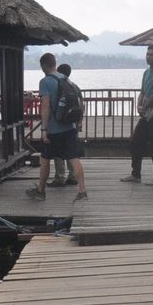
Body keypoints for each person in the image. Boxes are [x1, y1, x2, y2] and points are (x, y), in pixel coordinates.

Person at [27, 51, 87, 202]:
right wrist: (78, 122)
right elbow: (80, 102)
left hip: (54, 129)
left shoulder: (45, 81)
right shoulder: (67, 79)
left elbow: (45, 106)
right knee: (74, 158)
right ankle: (82, 190)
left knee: (45, 159)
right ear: (54, 63)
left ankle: (41, 191)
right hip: (70, 127)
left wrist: (44, 130)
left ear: (43, 66)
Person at [122, 46, 153, 185]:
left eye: (151, 55)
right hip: (146, 114)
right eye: (147, 54)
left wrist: (146, 106)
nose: (148, 57)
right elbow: (142, 91)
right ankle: (135, 174)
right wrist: (139, 106)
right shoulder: (146, 72)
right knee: (135, 142)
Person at [50, 63, 78, 188]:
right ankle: (73, 176)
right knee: (71, 151)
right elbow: (81, 104)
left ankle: (59, 178)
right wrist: (79, 122)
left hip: (59, 124)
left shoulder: (57, 86)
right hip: (72, 123)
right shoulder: (74, 86)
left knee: (58, 151)